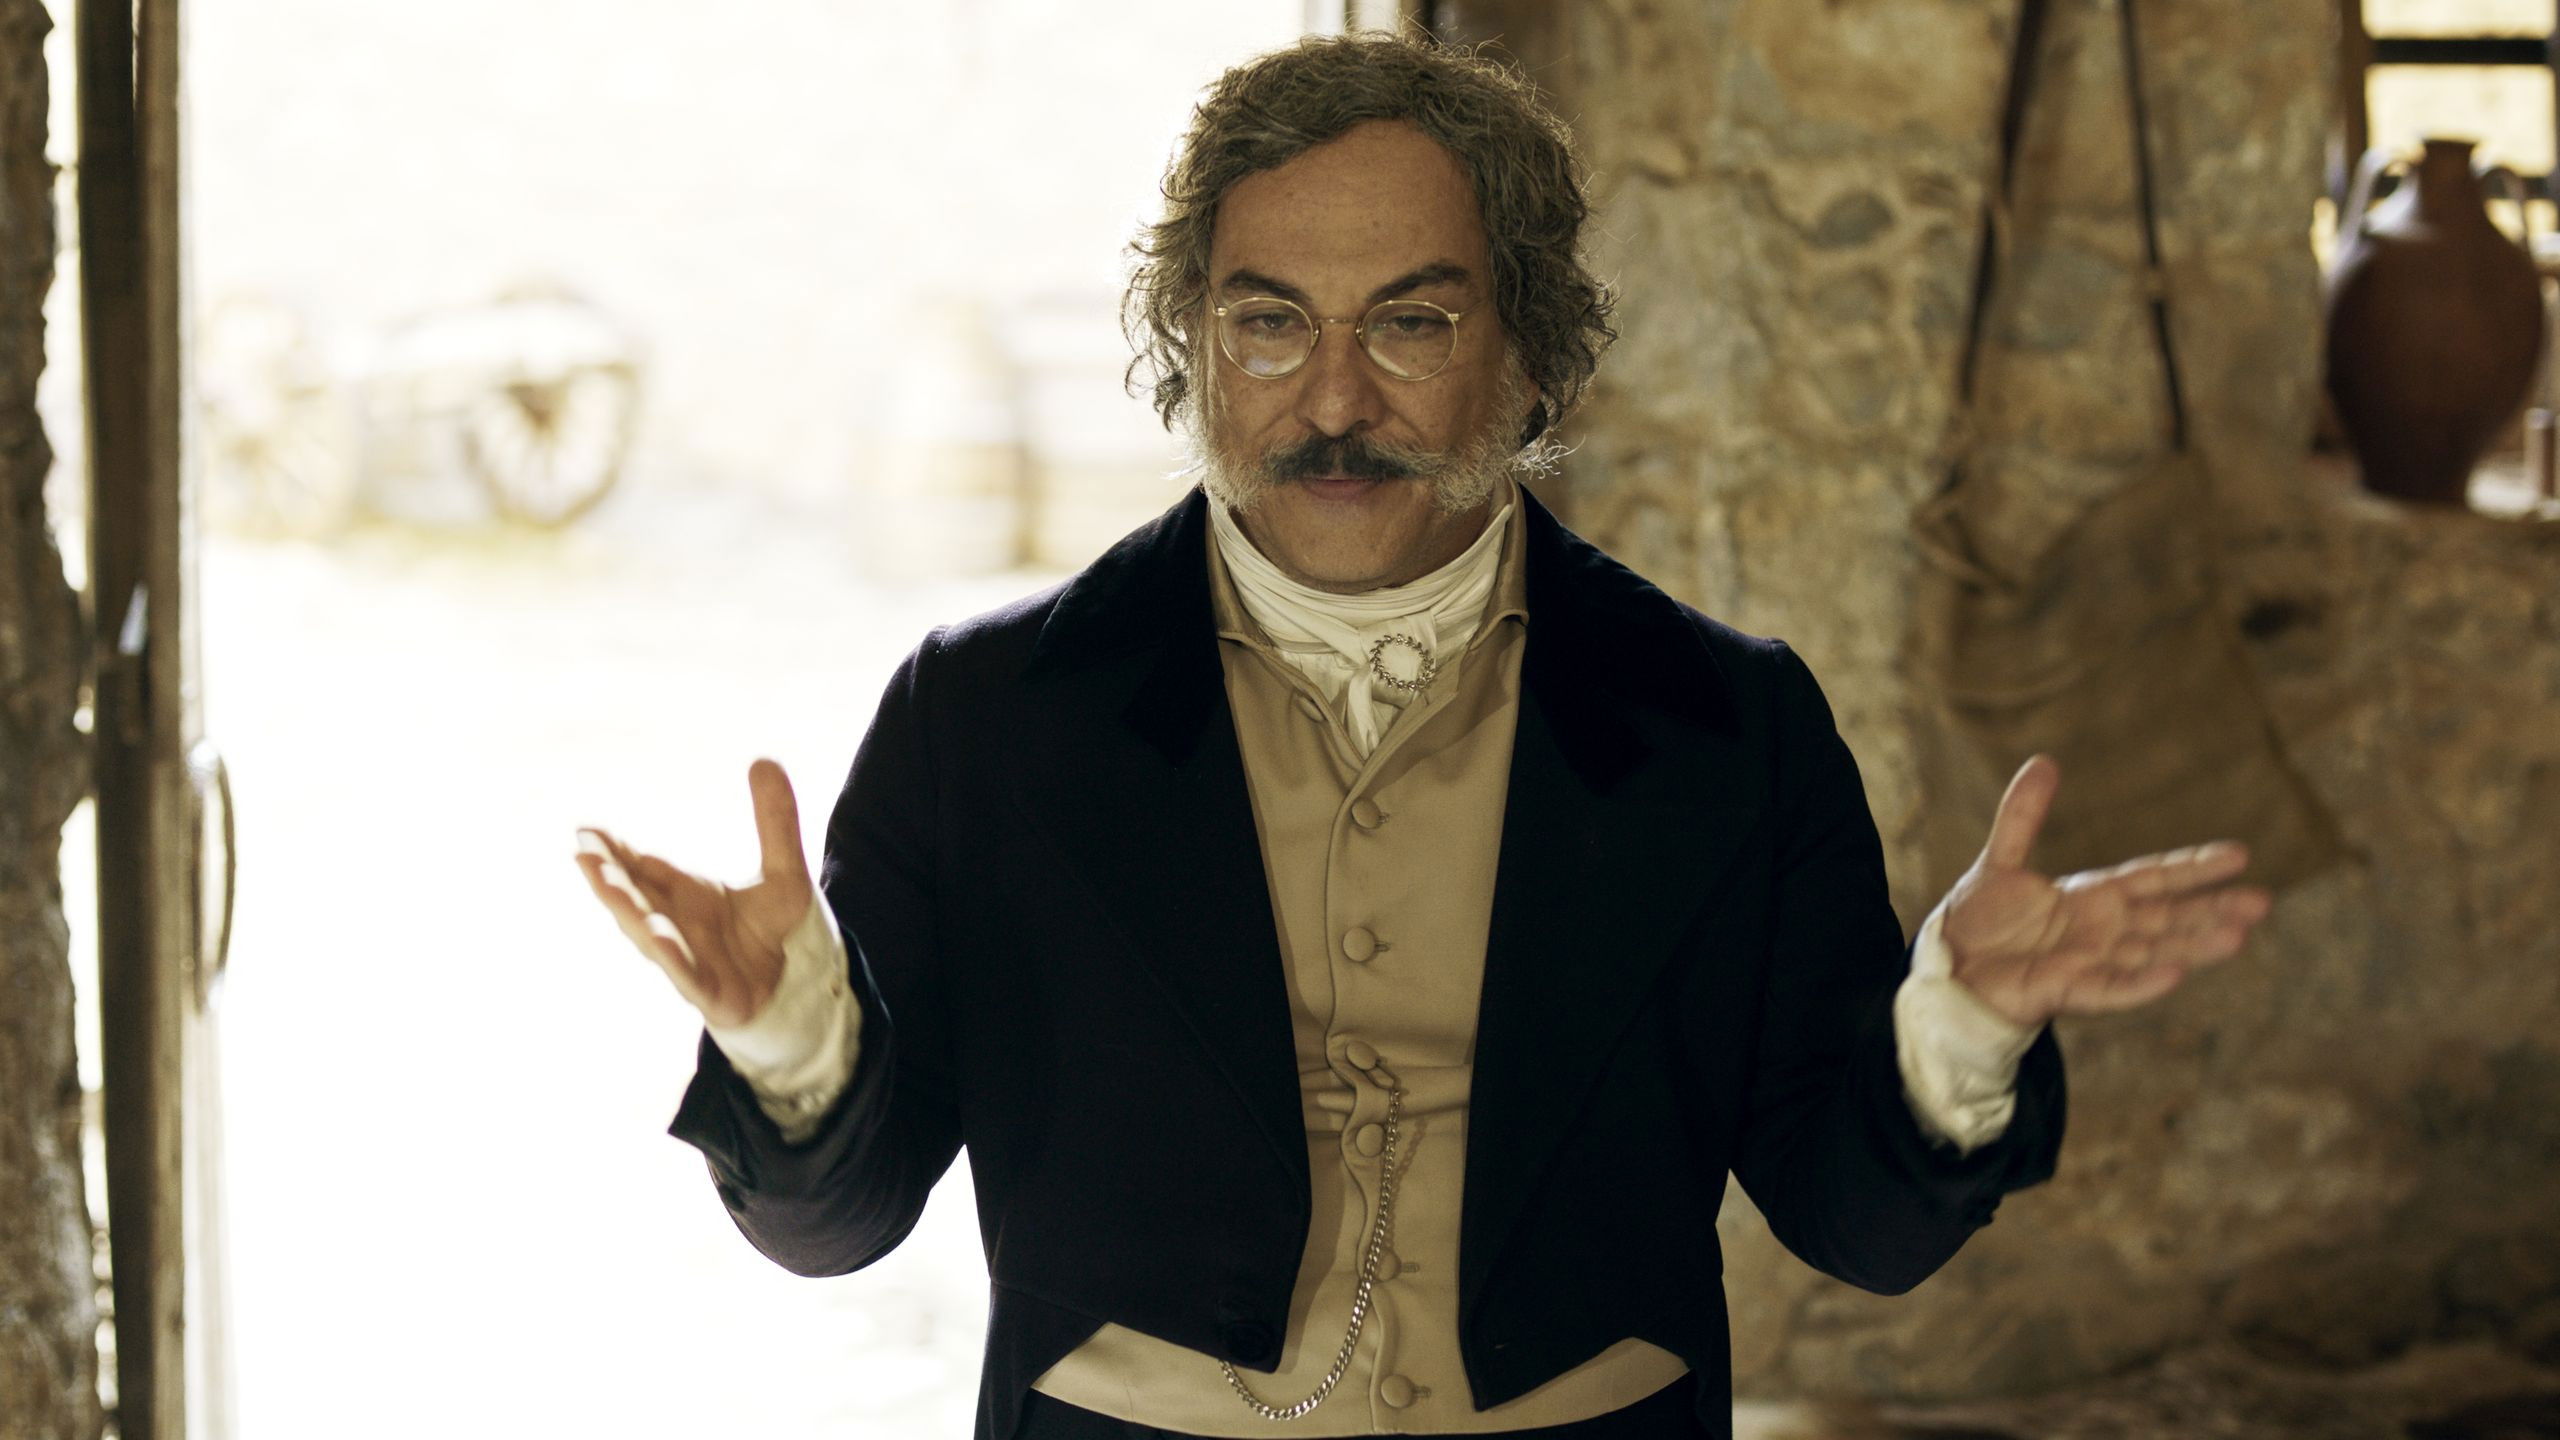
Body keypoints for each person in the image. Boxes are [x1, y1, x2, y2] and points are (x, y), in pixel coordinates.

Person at [573, 32, 2272, 1440]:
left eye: (1411, 321)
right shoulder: (989, 720)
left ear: (1528, 351)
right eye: (1268, 323)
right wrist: (793, 1044)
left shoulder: (1727, 727)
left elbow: (1861, 1225)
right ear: (1192, 347)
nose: (1332, 402)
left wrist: (1960, 1028)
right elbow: (840, 1224)